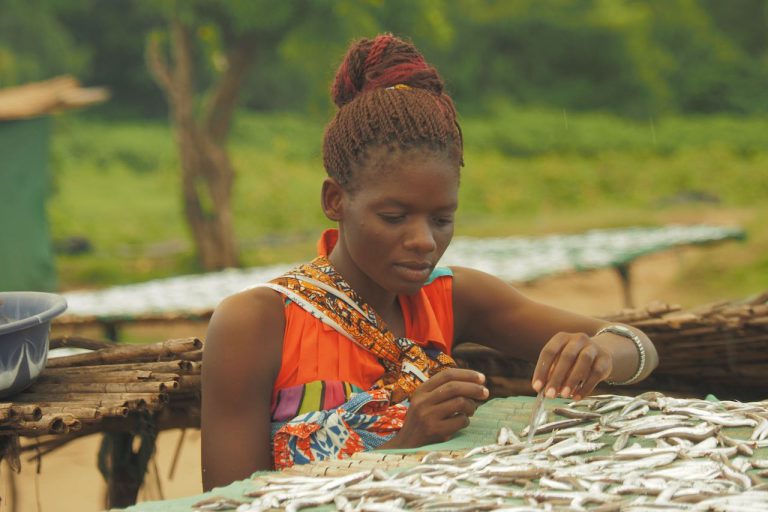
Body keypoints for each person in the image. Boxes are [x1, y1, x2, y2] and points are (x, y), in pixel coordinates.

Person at [201, 34, 658, 491]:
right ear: (335, 200)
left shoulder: (452, 298)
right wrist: (402, 443)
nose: (423, 241)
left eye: (442, 219)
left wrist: (598, 354)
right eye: (394, 217)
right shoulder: (258, 323)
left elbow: (637, 345)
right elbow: (229, 498)